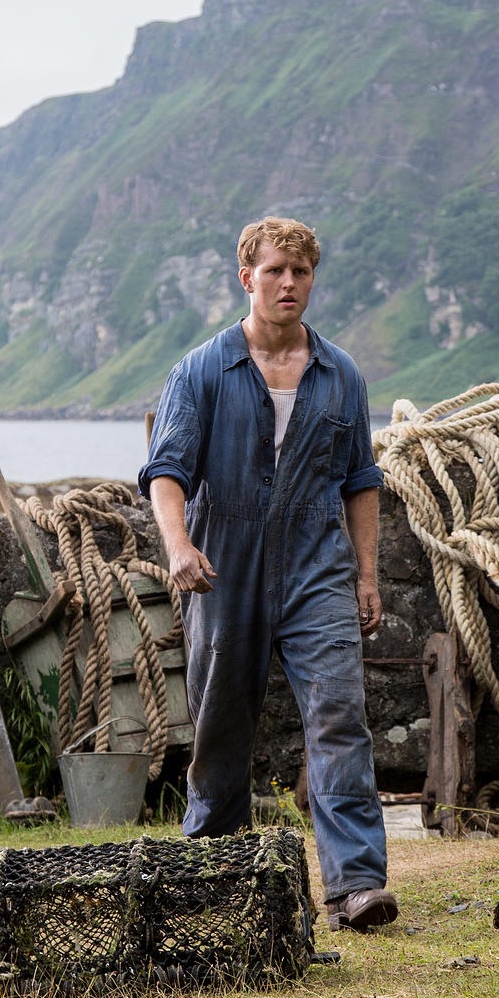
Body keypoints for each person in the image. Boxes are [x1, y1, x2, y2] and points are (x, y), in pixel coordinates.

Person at [139, 216, 397, 932]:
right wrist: (178, 545)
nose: (289, 284)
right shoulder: (201, 371)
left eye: (302, 272)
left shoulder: (340, 374)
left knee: (340, 714)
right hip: (226, 564)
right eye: (276, 270)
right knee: (222, 718)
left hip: (318, 562)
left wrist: (366, 576)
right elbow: (165, 471)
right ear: (246, 276)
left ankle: (355, 886)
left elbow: (361, 481)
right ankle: (213, 864)